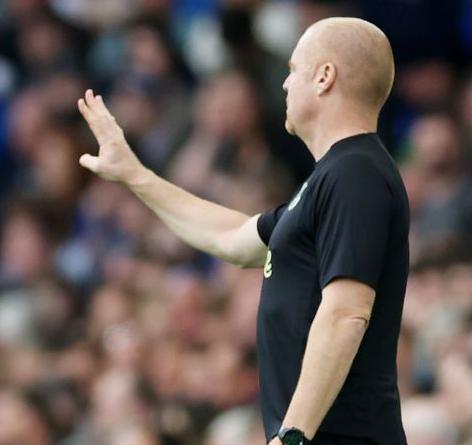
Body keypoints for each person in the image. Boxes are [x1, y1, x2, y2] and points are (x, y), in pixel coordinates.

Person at [77, 17, 407, 445]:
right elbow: (233, 238)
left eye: (293, 69)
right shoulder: (331, 178)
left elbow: (347, 312)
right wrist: (136, 175)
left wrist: (293, 435)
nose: (285, 85)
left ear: (325, 76)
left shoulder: (354, 172)